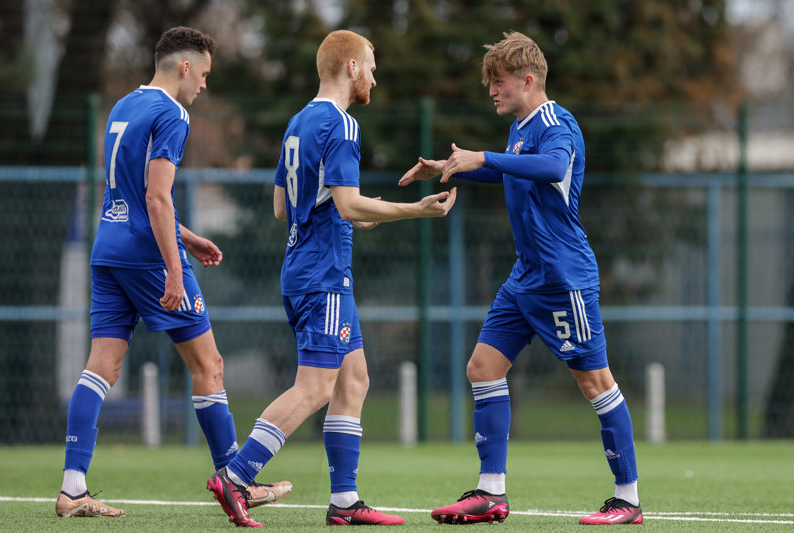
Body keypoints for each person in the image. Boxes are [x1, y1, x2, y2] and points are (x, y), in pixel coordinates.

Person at [206, 29, 457, 528]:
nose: (375, 79)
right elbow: (346, 202)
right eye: (371, 68)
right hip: (323, 275)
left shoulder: (298, 122)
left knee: (354, 379)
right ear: (350, 67)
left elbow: (284, 207)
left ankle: (344, 501)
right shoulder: (342, 124)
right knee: (316, 388)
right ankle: (235, 477)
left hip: (305, 268)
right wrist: (417, 210)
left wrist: (349, 214)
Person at [399, 31, 642, 526]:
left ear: (528, 81)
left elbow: (551, 167)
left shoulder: (557, 123)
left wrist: (483, 156)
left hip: (563, 278)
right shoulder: (520, 128)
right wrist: (451, 167)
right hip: (525, 278)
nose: (492, 90)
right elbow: (512, 171)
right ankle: (491, 493)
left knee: (595, 383)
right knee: (482, 368)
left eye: (500, 81)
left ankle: (628, 499)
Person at [56, 26, 291, 518]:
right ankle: (235, 480)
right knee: (209, 365)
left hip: (109, 248)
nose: (204, 84)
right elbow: (157, 197)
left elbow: (128, 193)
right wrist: (174, 269)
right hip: (147, 257)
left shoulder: (123, 105)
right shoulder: (172, 113)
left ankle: (72, 488)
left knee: (101, 367)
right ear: (185, 67)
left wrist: (186, 236)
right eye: (203, 74)